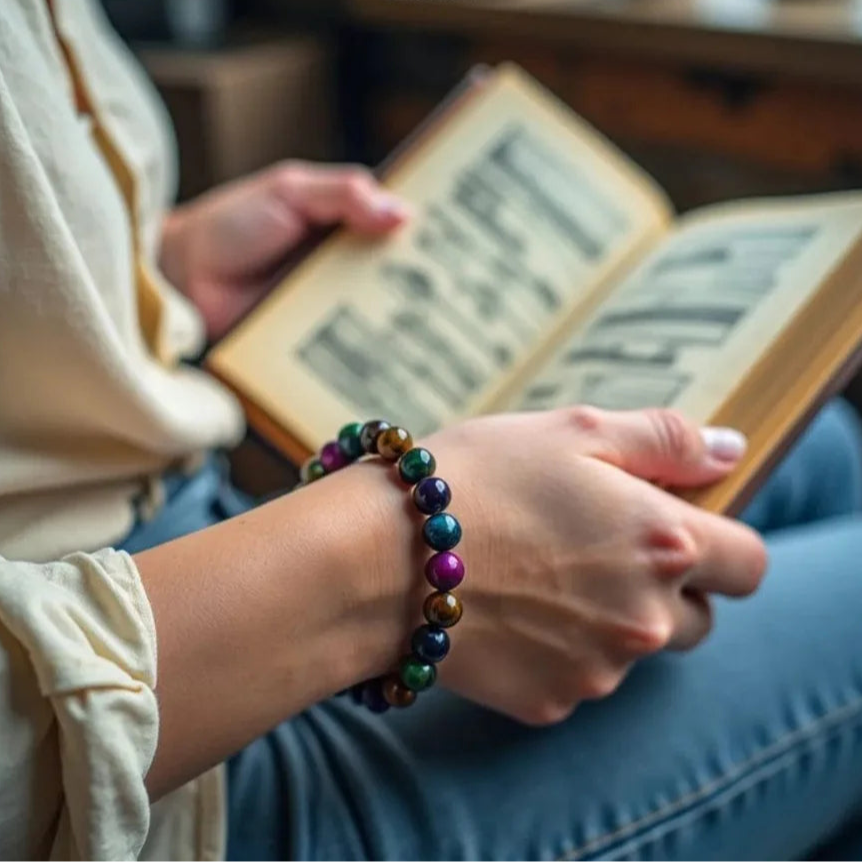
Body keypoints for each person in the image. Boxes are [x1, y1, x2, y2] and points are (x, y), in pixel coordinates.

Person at [2, 1, 862, 860]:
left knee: (814, 448)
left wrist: (155, 277)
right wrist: (396, 558)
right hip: (171, 785)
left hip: (185, 540)